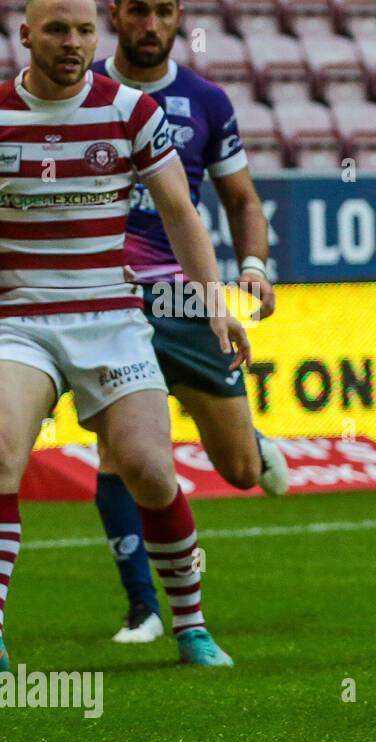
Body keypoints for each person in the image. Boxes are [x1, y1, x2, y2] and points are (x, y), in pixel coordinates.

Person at [0, 0, 248, 672]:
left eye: (83, 30)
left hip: (110, 316)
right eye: (56, 29)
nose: (72, 42)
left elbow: (178, 211)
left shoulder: (132, 111)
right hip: (18, 320)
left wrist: (215, 301)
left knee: (148, 468)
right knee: (1, 456)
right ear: (25, 34)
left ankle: (190, 627)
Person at [90, 0, 288, 645]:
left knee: (237, 472)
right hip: (105, 299)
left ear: (179, 19)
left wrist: (253, 268)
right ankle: (144, 607)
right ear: (115, 14)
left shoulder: (205, 101)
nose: (151, 25)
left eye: (165, 12)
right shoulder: (83, 92)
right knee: (121, 451)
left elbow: (241, 199)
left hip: (183, 300)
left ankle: (255, 448)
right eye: (139, 11)